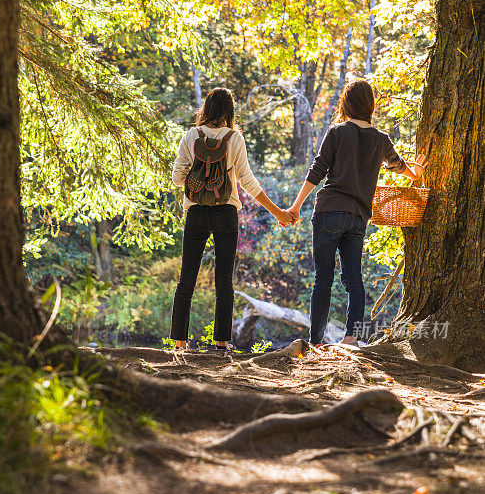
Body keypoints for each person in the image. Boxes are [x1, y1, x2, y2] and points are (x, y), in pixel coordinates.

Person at [286, 79, 427, 347]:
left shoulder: (337, 132)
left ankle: (315, 342)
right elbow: (398, 165)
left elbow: (318, 170)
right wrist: (415, 172)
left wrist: (295, 207)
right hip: (358, 217)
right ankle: (351, 338)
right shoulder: (380, 139)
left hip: (329, 211)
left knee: (323, 279)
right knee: (354, 280)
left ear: (347, 103)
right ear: (370, 106)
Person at [170, 87, 292, 352]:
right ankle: (222, 342)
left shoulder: (191, 135)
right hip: (226, 212)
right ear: (229, 111)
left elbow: (178, 178)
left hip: (196, 211)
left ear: (206, 108)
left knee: (187, 278)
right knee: (224, 280)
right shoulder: (234, 138)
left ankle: (180, 342)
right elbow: (247, 181)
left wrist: (196, 172)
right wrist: (278, 212)